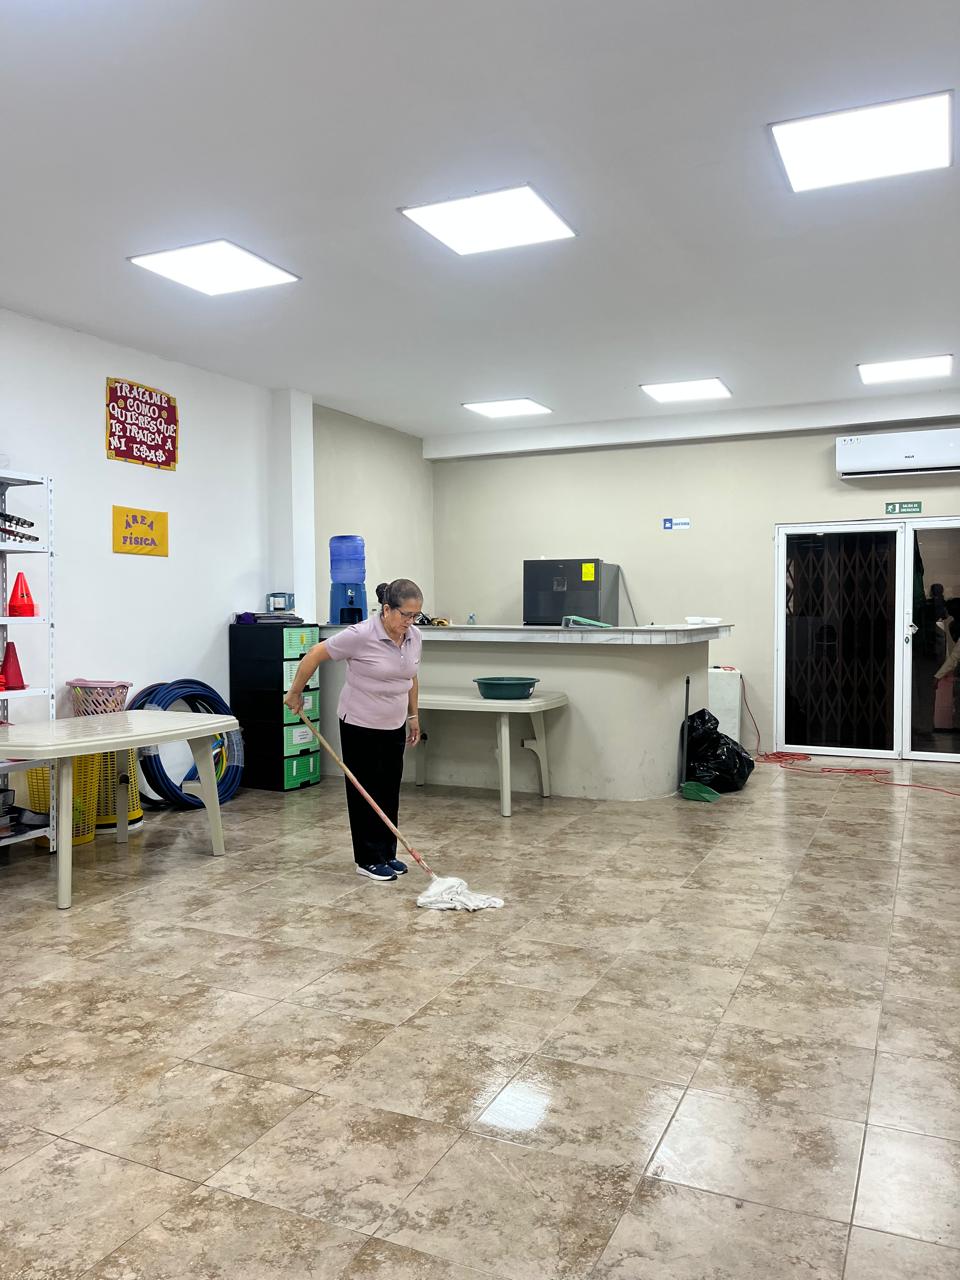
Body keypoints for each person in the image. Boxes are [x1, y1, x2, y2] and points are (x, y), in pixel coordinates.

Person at [283, 579, 423, 882]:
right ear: (387, 609)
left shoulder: (414, 637)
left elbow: (411, 677)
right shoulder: (360, 635)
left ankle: (387, 853)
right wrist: (295, 692)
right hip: (360, 724)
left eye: (416, 616)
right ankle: (368, 858)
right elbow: (314, 654)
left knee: (388, 790)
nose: (410, 622)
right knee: (365, 791)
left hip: (394, 723)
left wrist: (413, 715)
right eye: (405, 615)